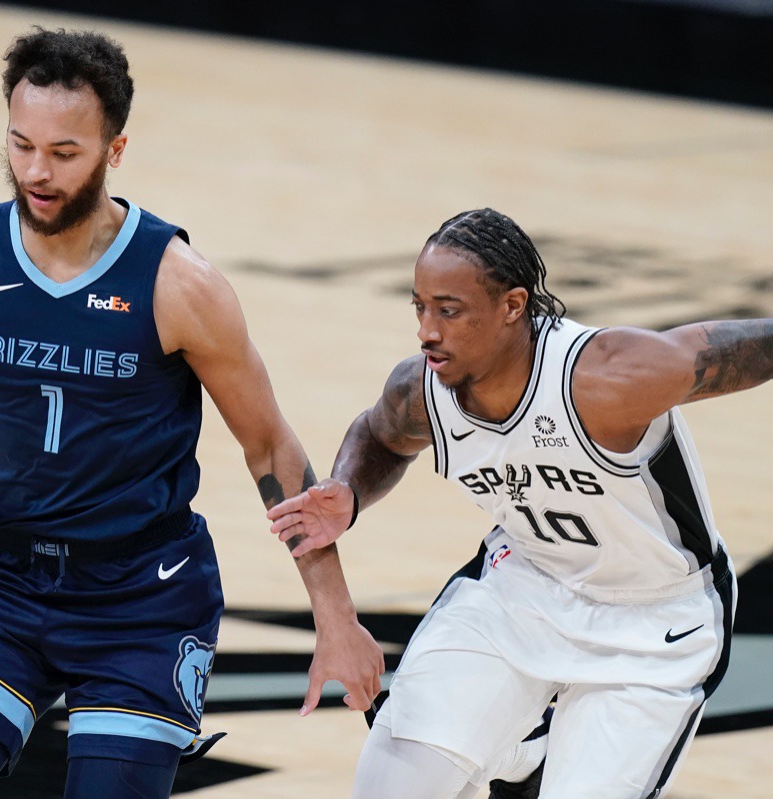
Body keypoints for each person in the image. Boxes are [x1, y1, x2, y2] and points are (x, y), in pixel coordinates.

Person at [0, 26, 381, 799]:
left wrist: (335, 614)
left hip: (144, 597)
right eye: (21, 144)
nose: (36, 171)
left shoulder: (179, 284)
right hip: (2, 577)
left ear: (114, 150)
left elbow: (270, 448)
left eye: (65, 153)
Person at [268, 207, 771, 799]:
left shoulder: (606, 379)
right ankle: (516, 745)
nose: (428, 330)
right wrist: (349, 492)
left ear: (512, 306)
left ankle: (523, 749)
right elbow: (379, 434)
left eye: (449, 311)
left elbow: (736, 351)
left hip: (653, 621)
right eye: (420, 307)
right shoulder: (424, 387)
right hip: (521, 589)